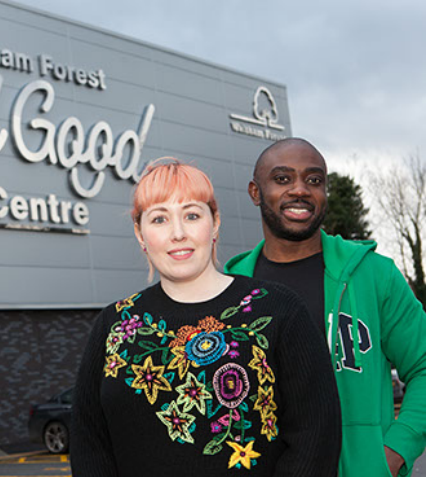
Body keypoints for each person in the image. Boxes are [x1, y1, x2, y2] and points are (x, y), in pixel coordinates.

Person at [71, 158, 341, 476]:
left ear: (214, 223)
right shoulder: (115, 324)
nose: (178, 233)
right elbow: (89, 443)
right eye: (159, 219)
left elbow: (316, 436)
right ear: (140, 233)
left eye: (192, 215)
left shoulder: (277, 310)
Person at [225, 137, 426, 477]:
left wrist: (392, 455)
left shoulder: (373, 275)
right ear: (255, 192)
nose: (300, 190)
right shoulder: (232, 288)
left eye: (314, 179)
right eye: (282, 178)